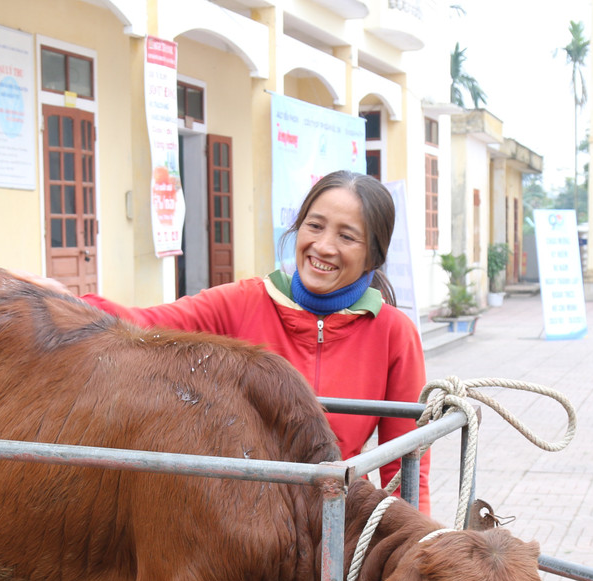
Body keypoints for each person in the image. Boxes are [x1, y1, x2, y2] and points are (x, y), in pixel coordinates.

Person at [41, 169, 430, 514]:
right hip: (240, 526)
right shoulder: (243, 301)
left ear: (373, 257)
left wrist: (416, 557)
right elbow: (148, 323)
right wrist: (63, 301)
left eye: (347, 236)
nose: (324, 246)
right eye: (315, 226)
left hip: (330, 520)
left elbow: (406, 469)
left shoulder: (394, 333)